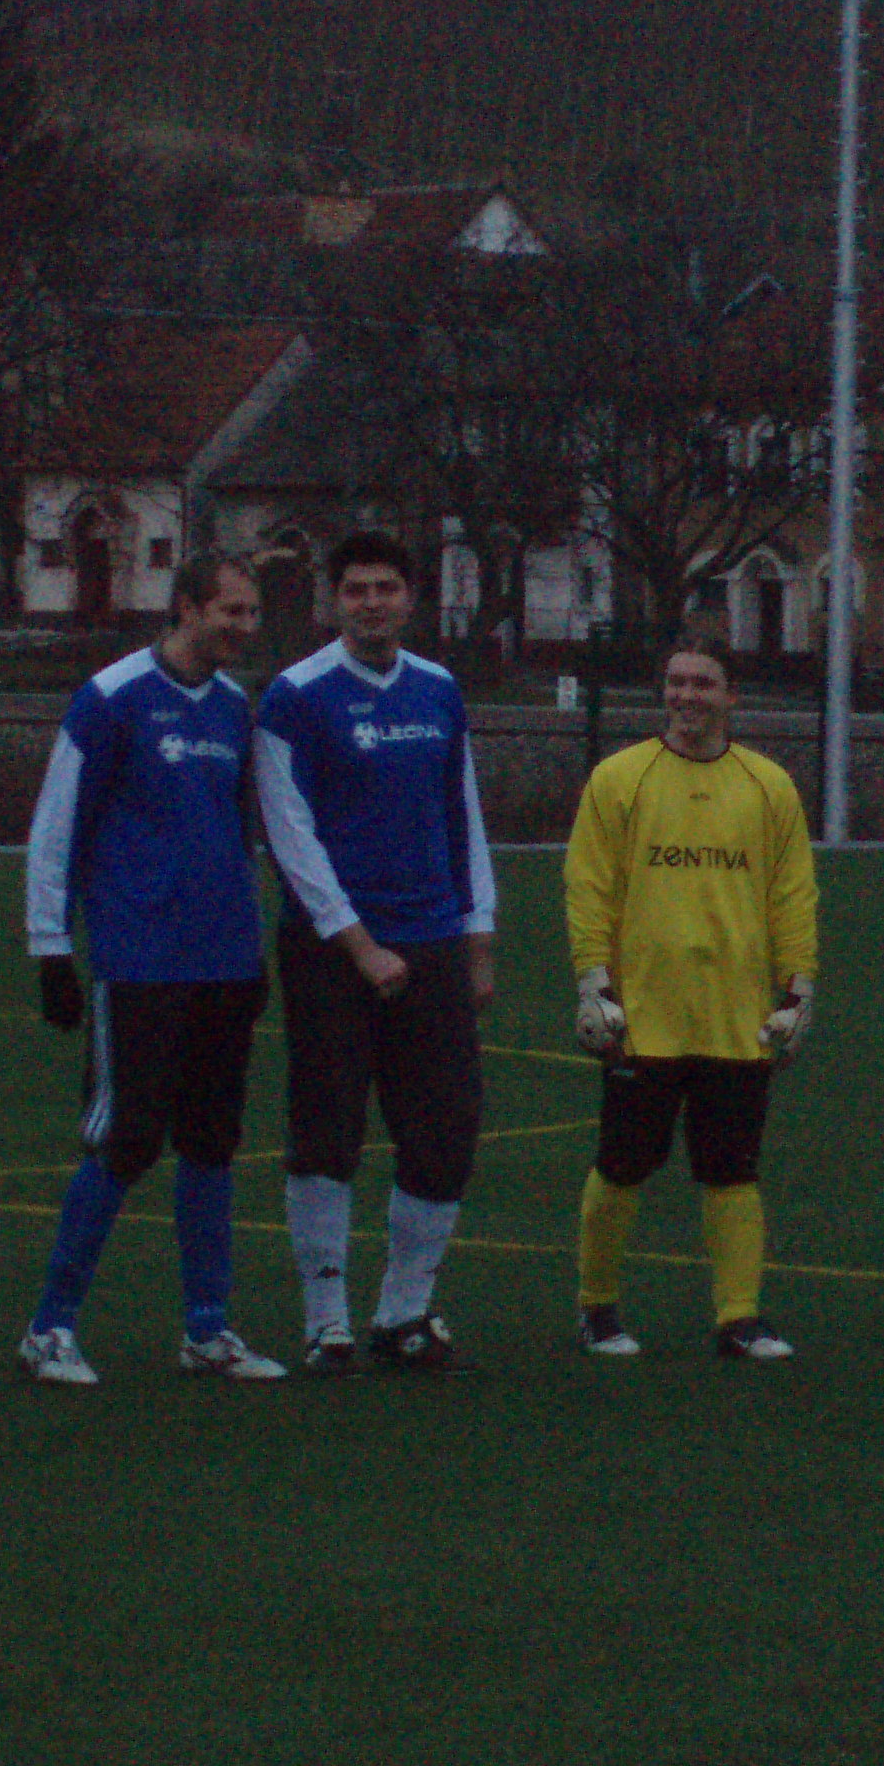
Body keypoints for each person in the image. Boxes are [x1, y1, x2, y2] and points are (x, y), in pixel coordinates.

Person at [16, 554, 282, 1385]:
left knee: (211, 1141)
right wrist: (51, 947)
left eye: (252, 613)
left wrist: (250, 949)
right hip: (141, 962)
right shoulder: (112, 697)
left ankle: (207, 1330)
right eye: (231, 611)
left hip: (223, 964)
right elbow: (58, 822)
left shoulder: (235, 707)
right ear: (187, 607)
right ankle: (49, 1330)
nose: (245, 627)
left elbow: (239, 837)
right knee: (127, 1140)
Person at [254, 529, 497, 1372]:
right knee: (327, 1133)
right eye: (355, 590)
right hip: (331, 951)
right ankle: (326, 1320)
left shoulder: (438, 690)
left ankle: (404, 1313)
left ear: (411, 598)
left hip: (430, 943)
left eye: (385, 589)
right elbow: (289, 837)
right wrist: (358, 944)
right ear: (333, 601)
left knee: (446, 1131)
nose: (370, 604)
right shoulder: (295, 695)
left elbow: (462, 816)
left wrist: (477, 937)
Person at [565, 636, 818, 1362]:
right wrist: (593, 984)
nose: (686, 697)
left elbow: (793, 894)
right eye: (675, 683)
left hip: (737, 1020)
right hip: (643, 1019)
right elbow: (589, 887)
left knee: (733, 1169)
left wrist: (798, 991)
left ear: (731, 695)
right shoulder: (620, 778)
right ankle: (597, 1309)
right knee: (622, 1165)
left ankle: (739, 1318)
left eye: (703, 684)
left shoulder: (769, 785)